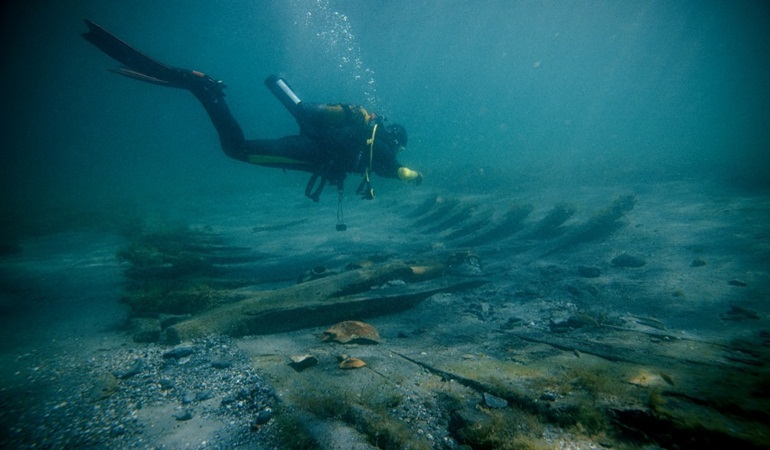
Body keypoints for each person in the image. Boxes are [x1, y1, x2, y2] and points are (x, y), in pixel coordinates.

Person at [81, 20, 422, 213]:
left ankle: (208, 90)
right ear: (397, 140)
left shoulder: (365, 132)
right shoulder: (384, 149)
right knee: (237, 149)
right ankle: (206, 91)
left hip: (309, 145)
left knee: (243, 147)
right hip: (310, 150)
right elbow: (398, 171)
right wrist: (415, 176)